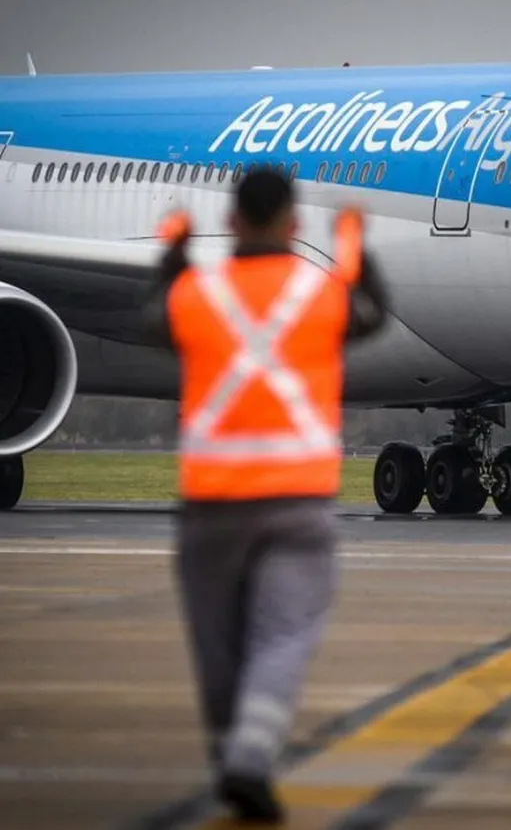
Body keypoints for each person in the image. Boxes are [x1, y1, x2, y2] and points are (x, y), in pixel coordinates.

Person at [140, 167, 389, 823]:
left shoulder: (200, 290)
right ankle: (251, 755)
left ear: (231, 221)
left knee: (218, 646)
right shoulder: (320, 291)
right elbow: (371, 310)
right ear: (293, 223)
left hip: (211, 506)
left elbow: (155, 318)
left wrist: (173, 249)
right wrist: (355, 241)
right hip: (296, 503)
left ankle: (231, 755)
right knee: (283, 635)